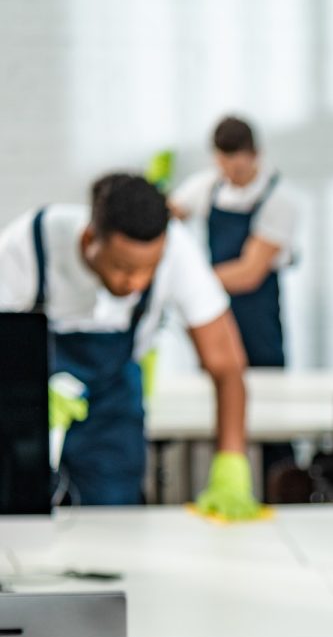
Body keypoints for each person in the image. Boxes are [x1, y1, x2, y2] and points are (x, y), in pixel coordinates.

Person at [0, 172, 258, 515]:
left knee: (113, 522)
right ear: (91, 238)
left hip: (114, 410)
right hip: (29, 412)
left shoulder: (178, 251)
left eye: (149, 269)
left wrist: (231, 465)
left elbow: (226, 366)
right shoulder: (30, 244)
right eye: (123, 267)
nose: (136, 282)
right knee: (19, 516)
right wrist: (22, 395)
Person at [170, 115, 300, 488]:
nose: (233, 174)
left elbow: (248, 272)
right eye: (225, 165)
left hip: (259, 324)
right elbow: (166, 218)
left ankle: (281, 493)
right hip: (216, 319)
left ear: (256, 155)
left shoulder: (280, 200)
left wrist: (189, 280)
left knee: (272, 418)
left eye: (240, 167)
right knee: (216, 406)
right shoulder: (206, 187)